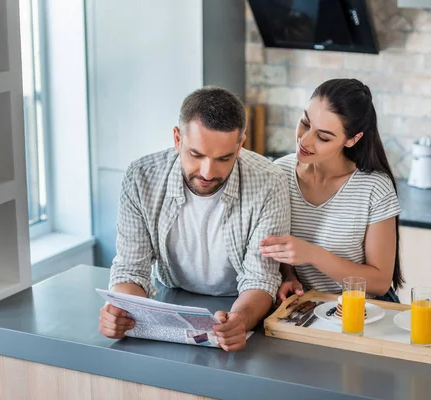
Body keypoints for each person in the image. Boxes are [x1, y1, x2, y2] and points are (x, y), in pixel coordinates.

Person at [98, 86, 290, 352]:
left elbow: (261, 278)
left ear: (240, 145)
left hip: (237, 304)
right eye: (196, 155)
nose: (208, 172)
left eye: (224, 158)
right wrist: (121, 310)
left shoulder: (270, 182)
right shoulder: (140, 177)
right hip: (171, 298)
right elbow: (131, 269)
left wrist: (241, 320)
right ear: (177, 138)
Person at [259, 78, 404, 304]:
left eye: (323, 137)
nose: (304, 140)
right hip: (305, 310)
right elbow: (277, 247)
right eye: (305, 123)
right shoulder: (279, 173)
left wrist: (312, 254)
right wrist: (289, 276)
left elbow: (379, 282)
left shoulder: (374, 187)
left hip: (363, 312)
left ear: (352, 140)